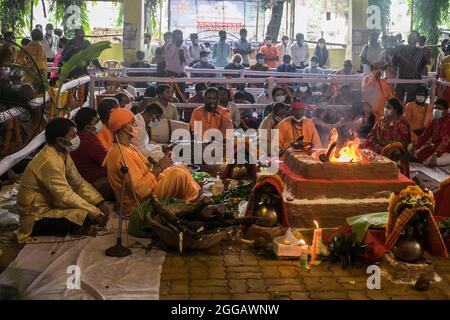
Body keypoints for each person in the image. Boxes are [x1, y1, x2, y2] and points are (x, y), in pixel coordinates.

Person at [16, 118, 109, 243]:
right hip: (36, 215)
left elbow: (78, 182)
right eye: (72, 135)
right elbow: (65, 194)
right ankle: (77, 228)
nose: (77, 137)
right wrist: (95, 212)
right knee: (83, 214)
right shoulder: (48, 161)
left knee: (88, 211)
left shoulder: (62, 153)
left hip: (52, 205)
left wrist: (99, 203)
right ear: (60, 140)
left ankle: (81, 226)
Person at [103, 108, 200, 216]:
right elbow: (140, 191)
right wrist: (159, 167)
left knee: (179, 167)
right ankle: (196, 205)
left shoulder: (127, 146)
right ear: (126, 127)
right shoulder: (121, 154)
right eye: (133, 123)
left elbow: (144, 172)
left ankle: (192, 202)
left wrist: (158, 165)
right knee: (178, 175)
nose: (137, 126)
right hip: (140, 204)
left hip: (148, 191)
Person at [71, 107, 115, 201]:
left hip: (91, 178)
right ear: (88, 127)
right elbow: (107, 161)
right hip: (95, 183)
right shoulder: (88, 141)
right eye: (97, 121)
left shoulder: (84, 136)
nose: (100, 123)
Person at [393, 31, 427, 103]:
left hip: (412, 82)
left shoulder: (419, 52)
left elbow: (413, 66)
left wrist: (401, 57)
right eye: (410, 36)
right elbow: (394, 63)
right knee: (397, 103)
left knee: (409, 104)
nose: (411, 38)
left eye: (413, 37)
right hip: (400, 80)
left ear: (417, 39)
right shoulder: (402, 49)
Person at [414, 99, 450, 166]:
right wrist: (416, 146)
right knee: (417, 154)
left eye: (439, 108)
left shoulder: (448, 121)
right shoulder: (435, 121)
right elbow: (425, 135)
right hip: (436, 147)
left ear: (446, 110)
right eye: (435, 108)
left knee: (429, 161)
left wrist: (436, 154)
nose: (436, 110)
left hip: (447, 149)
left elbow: (446, 140)